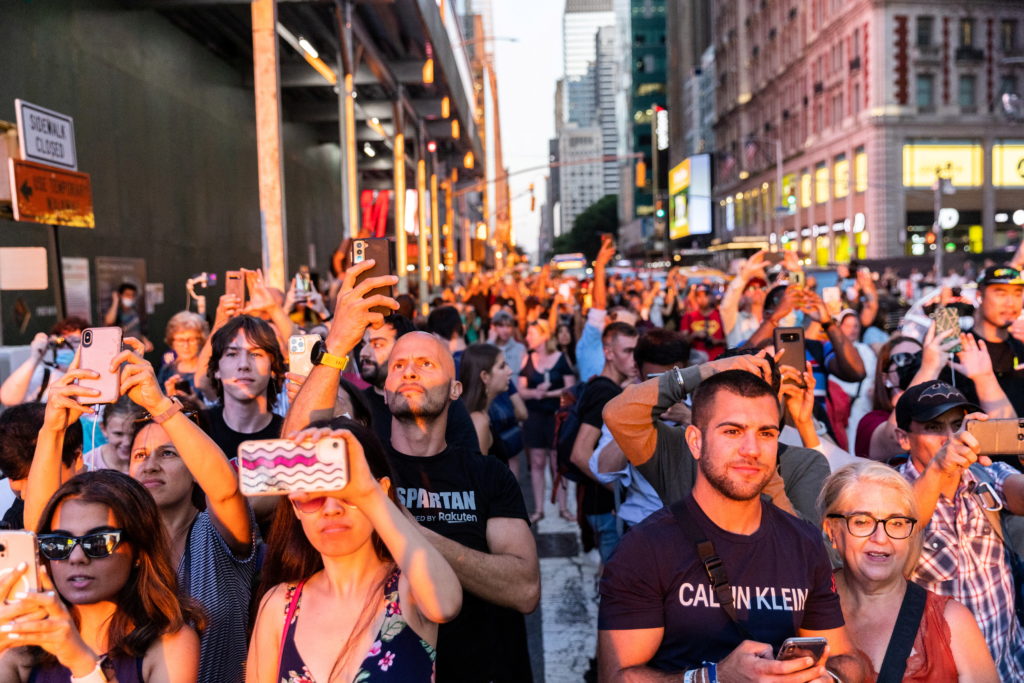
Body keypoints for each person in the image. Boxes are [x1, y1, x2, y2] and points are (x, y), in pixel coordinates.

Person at [286, 260, 540, 681]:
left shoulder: (488, 475)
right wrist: (336, 345)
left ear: (456, 390)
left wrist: (396, 522)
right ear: (384, 393)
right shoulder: (362, 466)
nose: (409, 371)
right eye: (399, 366)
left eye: (427, 364)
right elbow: (294, 460)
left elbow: (524, 588)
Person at [598, 370, 864, 681]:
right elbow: (616, 676)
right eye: (733, 432)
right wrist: (715, 677)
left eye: (766, 433)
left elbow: (846, 658)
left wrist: (826, 677)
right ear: (695, 442)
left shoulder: (803, 543)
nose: (751, 449)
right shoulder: (646, 548)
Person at [24, 338, 259, 683]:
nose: (150, 465)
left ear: (195, 464)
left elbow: (225, 490)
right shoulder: (113, 537)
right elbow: (43, 530)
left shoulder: (215, 533)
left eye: (168, 453)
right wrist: (53, 427)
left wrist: (159, 404)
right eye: (139, 455)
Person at [247, 420, 461, 682]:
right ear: (295, 506)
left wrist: (368, 493)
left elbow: (446, 606)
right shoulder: (278, 605)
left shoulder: (409, 587)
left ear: (380, 492)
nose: (331, 508)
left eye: (348, 493)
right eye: (313, 496)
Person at [0, 471, 200, 682]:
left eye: (99, 542)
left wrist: (81, 663)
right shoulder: (24, 645)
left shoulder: (171, 642)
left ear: (139, 551)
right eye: (60, 543)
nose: (77, 557)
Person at [818, 461, 998, 682]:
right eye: (862, 521)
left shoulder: (952, 622)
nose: (881, 538)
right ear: (831, 530)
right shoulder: (801, 604)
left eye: (896, 523)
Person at [894, 380, 1024, 680]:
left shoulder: (986, 474)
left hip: (1008, 667)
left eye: (958, 424)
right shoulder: (890, 488)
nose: (951, 437)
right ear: (903, 438)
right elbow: (897, 530)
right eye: (935, 427)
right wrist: (939, 468)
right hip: (939, 673)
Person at [603, 351, 828, 523]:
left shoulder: (805, 464)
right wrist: (706, 370)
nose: (748, 448)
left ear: (776, 403)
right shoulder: (680, 451)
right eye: (732, 429)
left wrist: (763, 468)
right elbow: (618, 415)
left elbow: (817, 556)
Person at [356, 313, 480, 454]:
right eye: (363, 345)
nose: (363, 353)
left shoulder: (439, 400)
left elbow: (469, 462)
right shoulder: (357, 405)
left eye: (377, 344)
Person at [568, 322, 638, 562]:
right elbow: (579, 454)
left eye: (636, 352)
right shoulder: (604, 393)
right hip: (604, 508)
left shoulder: (609, 389)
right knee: (613, 584)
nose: (634, 359)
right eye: (627, 351)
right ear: (608, 353)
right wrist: (625, 492)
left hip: (602, 506)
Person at [202, 315, 286, 460]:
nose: (243, 365)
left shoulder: (287, 434)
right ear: (217, 369)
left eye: (255, 354)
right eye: (232, 354)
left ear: (273, 367)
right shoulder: (198, 430)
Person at [519, 319, 576, 522]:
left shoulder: (560, 358)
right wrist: (536, 393)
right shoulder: (527, 358)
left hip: (556, 416)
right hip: (534, 417)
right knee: (536, 461)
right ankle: (539, 509)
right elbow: (521, 390)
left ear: (544, 335)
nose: (528, 338)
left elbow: (570, 388)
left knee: (556, 462)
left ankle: (563, 508)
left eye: (531, 334)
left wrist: (548, 393)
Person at [0, 403, 83, 530]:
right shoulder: (9, 512)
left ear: (76, 459)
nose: (23, 493)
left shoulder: (107, 503)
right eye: (13, 477)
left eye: (33, 477)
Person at [954, 265, 1024, 415]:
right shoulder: (959, 349)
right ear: (980, 296)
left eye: (1018, 294)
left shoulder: (1021, 348)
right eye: (1000, 293)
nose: (1010, 303)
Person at [0, 317, 87, 406]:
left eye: (75, 341)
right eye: (62, 343)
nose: (67, 347)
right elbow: (8, 398)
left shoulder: (92, 375)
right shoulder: (45, 374)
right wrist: (35, 358)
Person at [459, 343, 514, 455]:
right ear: (485, 376)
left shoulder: (480, 415)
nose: (510, 371)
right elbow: (477, 471)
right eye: (502, 366)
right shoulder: (478, 421)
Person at [157, 311, 209, 400]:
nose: (186, 346)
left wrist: (195, 402)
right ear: (172, 342)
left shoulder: (209, 370)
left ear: (201, 341)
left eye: (192, 339)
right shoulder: (166, 370)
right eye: (180, 340)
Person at [81, 396, 140, 473]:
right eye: (118, 434)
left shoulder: (149, 465)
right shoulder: (88, 463)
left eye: (134, 434)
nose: (127, 442)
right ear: (104, 429)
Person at [678, 284, 726, 361]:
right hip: (697, 363)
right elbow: (682, 341)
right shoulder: (688, 316)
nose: (703, 299)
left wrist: (716, 341)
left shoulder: (721, 315)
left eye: (706, 295)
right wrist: (694, 335)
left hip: (717, 362)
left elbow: (731, 340)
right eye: (699, 296)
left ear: (711, 297)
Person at [104, 283, 153, 352]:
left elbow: (138, 331)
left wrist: (146, 341)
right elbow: (109, 321)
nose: (130, 297)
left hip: (135, 352)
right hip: (120, 353)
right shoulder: (116, 311)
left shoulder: (136, 311)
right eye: (127, 295)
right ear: (120, 295)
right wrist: (115, 301)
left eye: (132, 295)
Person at [488, 310, 526, 380]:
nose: (505, 330)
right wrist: (490, 342)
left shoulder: (520, 348)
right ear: (493, 327)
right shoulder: (488, 348)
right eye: (501, 326)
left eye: (508, 326)